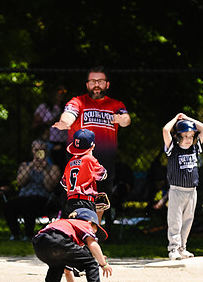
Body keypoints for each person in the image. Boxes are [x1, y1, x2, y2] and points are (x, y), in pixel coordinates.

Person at [52, 66, 131, 236]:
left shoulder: (115, 105)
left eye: (100, 81)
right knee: (75, 201)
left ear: (107, 84)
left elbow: (125, 119)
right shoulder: (78, 101)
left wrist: (121, 119)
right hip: (80, 165)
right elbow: (69, 114)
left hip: (104, 164)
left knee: (100, 201)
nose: (96, 84)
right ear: (87, 84)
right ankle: (72, 236)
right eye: (93, 81)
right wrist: (65, 122)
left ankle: (91, 236)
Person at [32, 208, 112, 282]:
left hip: (39, 244)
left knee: (57, 266)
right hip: (60, 240)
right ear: (89, 222)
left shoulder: (63, 223)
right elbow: (92, 244)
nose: (94, 234)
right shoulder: (83, 224)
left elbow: (67, 272)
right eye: (95, 229)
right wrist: (103, 264)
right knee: (91, 263)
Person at [162, 113, 203, 260]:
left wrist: (188, 119)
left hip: (192, 191)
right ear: (177, 136)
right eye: (184, 136)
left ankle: (182, 248)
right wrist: (176, 119)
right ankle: (173, 249)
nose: (188, 140)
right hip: (177, 191)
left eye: (191, 136)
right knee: (175, 221)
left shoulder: (195, 148)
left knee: (187, 221)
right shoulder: (173, 149)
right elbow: (165, 130)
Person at [4, 140, 61, 240]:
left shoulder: (53, 168)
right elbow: (20, 182)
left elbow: (50, 187)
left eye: (42, 150)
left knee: (30, 204)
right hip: (24, 196)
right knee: (9, 205)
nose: (38, 152)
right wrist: (31, 166)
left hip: (43, 198)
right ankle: (15, 234)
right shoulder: (25, 165)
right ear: (32, 151)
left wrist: (44, 169)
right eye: (36, 150)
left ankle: (28, 235)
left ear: (46, 152)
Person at [61, 128, 107, 219]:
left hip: (70, 202)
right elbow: (103, 175)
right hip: (85, 202)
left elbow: (64, 184)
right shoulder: (90, 160)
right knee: (88, 230)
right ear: (92, 146)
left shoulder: (70, 163)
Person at [32, 85, 68, 172]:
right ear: (53, 94)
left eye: (63, 93)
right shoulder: (44, 107)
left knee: (62, 167)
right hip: (48, 140)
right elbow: (34, 125)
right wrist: (51, 122)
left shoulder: (66, 108)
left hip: (63, 143)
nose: (61, 95)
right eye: (59, 92)